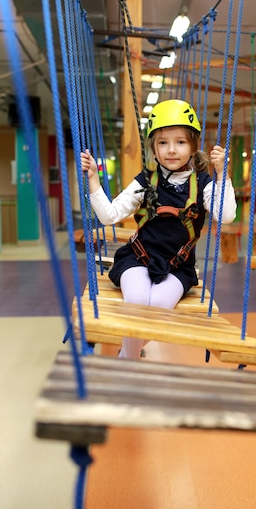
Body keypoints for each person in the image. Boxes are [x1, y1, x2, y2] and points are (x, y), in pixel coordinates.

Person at [80, 99, 237, 359]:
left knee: (160, 309)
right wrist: (94, 182)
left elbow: (226, 215)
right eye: (163, 142)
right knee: (139, 301)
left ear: (193, 146)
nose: (171, 150)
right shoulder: (145, 182)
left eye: (180, 142)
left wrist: (223, 175)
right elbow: (110, 215)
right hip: (138, 258)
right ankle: (127, 363)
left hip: (177, 266)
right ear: (153, 147)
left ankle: (126, 355)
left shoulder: (204, 184)